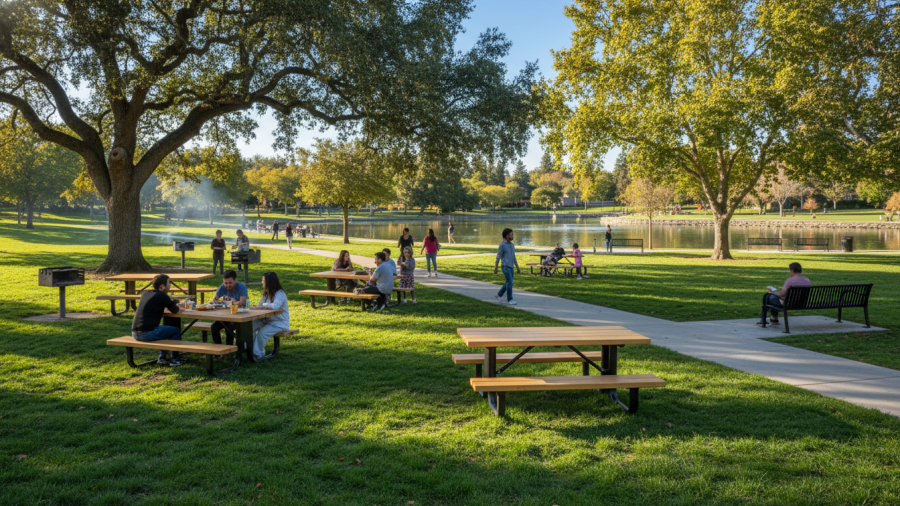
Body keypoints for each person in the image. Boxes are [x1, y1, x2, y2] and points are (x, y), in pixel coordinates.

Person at [131, 274, 186, 366]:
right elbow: (175, 310)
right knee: (175, 330)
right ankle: (175, 359)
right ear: (162, 286)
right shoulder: (162, 296)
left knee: (164, 330)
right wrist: (184, 306)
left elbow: (164, 303)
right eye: (168, 283)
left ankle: (162, 358)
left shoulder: (145, 293)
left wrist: (174, 302)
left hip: (135, 333)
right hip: (147, 333)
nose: (170, 285)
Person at [250, 272, 290, 359]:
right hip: (266, 320)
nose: (262, 282)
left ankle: (257, 354)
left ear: (269, 282)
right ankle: (248, 349)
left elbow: (275, 306)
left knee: (261, 333)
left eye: (263, 280)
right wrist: (255, 308)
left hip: (279, 323)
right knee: (249, 328)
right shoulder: (266, 293)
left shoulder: (280, 293)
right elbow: (260, 305)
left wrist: (263, 306)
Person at [210, 270, 248, 352]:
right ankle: (218, 349)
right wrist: (215, 302)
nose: (227, 285)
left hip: (239, 316)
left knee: (229, 327)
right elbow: (214, 300)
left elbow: (243, 302)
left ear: (235, 280)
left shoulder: (241, 287)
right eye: (225, 283)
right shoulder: (222, 287)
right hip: (226, 316)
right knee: (214, 327)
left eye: (230, 283)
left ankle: (228, 350)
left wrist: (232, 302)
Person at [494, 228, 520, 305]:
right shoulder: (502, 245)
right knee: (510, 282)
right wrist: (496, 268)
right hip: (505, 266)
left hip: (511, 267)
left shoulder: (512, 245)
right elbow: (498, 257)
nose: (513, 236)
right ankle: (510, 299)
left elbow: (513, 257)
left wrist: (517, 267)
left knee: (508, 283)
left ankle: (498, 295)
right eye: (511, 234)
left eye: (512, 234)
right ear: (507, 235)